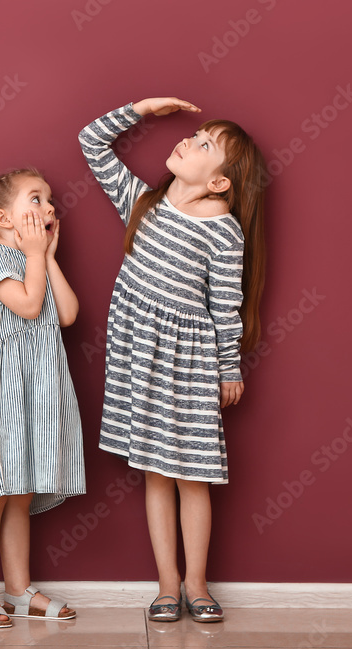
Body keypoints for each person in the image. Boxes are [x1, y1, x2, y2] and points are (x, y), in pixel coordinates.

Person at [79, 97, 266, 622]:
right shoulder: (143, 203)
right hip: (140, 358)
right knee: (156, 474)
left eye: (205, 144)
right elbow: (90, 141)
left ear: (220, 182)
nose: (188, 140)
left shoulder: (224, 231)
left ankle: (197, 584)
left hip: (189, 361)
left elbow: (225, 306)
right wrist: (140, 109)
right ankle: (166, 584)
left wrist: (228, 368)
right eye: (195, 135)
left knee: (193, 475)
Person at [0, 168, 85, 629]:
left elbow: (67, 313)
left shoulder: (37, 260)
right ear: (3, 217)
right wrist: (34, 254)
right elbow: (29, 306)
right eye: (36, 199)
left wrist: (47, 255)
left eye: (50, 200)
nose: (49, 208)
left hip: (38, 392)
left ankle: (17, 588)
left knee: (20, 494)